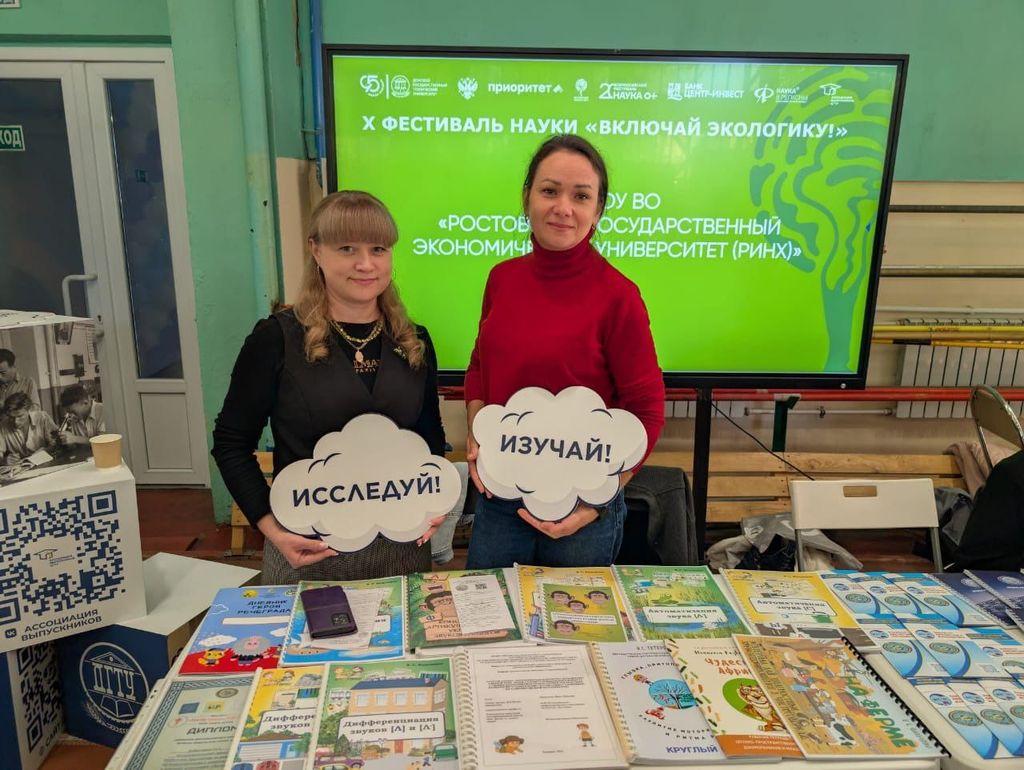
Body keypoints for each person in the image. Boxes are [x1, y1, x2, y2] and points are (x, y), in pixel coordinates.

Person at [212, 191, 447, 583]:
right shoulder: (276, 338)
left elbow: (429, 434)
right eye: (347, 248)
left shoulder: (414, 340)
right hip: (309, 551)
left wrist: (434, 501)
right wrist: (272, 528)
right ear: (316, 250)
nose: (366, 264)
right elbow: (231, 442)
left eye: (378, 249)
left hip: (401, 551)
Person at [464, 134, 665, 568]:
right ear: (527, 198)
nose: (563, 208)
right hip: (500, 496)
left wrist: (596, 503)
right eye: (550, 191)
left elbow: (647, 413)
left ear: (598, 209)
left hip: (580, 509)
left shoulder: (619, 296)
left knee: (574, 613)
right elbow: (480, 366)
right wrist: (476, 433)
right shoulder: (501, 279)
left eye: (581, 196)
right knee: (490, 609)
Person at [0, 391, 57, 464]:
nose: (16, 421)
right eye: (11, 417)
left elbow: (56, 444)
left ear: (29, 410)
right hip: (22, 467)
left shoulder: (42, 417)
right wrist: (3, 461)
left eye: (20, 416)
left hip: (48, 462)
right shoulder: (3, 426)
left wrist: (44, 451)